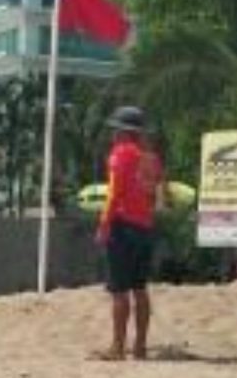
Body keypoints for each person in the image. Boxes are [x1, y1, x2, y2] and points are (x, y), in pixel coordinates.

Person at [94, 106, 163, 361]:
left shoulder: (120, 153)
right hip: (146, 228)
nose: (113, 134)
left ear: (124, 132)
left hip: (123, 228)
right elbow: (155, 196)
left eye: (116, 129)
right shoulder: (152, 158)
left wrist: (104, 223)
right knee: (140, 289)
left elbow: (114, 192)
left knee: (119, 290)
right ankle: (141, 347)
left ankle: (117, 348)